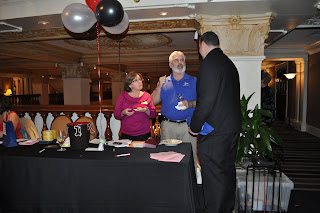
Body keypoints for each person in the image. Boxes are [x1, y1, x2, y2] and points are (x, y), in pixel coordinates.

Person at [189, 31, 241, 213]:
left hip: (215, 133)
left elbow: (206, 101)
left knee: (214, 178)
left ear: (202, 44)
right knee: (226, 174)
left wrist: (194, 127)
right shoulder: (228, 63)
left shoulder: (208, 64)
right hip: (230, 128)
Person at [151, 51, 198, 169]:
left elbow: (204, 102)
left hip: (188, 126)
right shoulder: (164, 82)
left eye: (182, 60)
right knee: (168, 160)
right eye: (176, 60)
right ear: (170, 64)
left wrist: (191, 104)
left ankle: (190, 186)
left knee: (189, 160)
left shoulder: (194, 81)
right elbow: (153, 101)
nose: (180, 62)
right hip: (168, 126)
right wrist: (159, 86)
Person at [114, 72, 157, 141]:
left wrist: (146, 110)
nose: (140, 82)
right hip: (127, 133)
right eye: (136, 80)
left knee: (143, 152)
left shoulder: (147, 96)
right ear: (129, 85)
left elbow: (153, 114)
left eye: (140, 79)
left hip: (144, 133)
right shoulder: (122, 96)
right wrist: (123, 112)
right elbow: (116, 115)